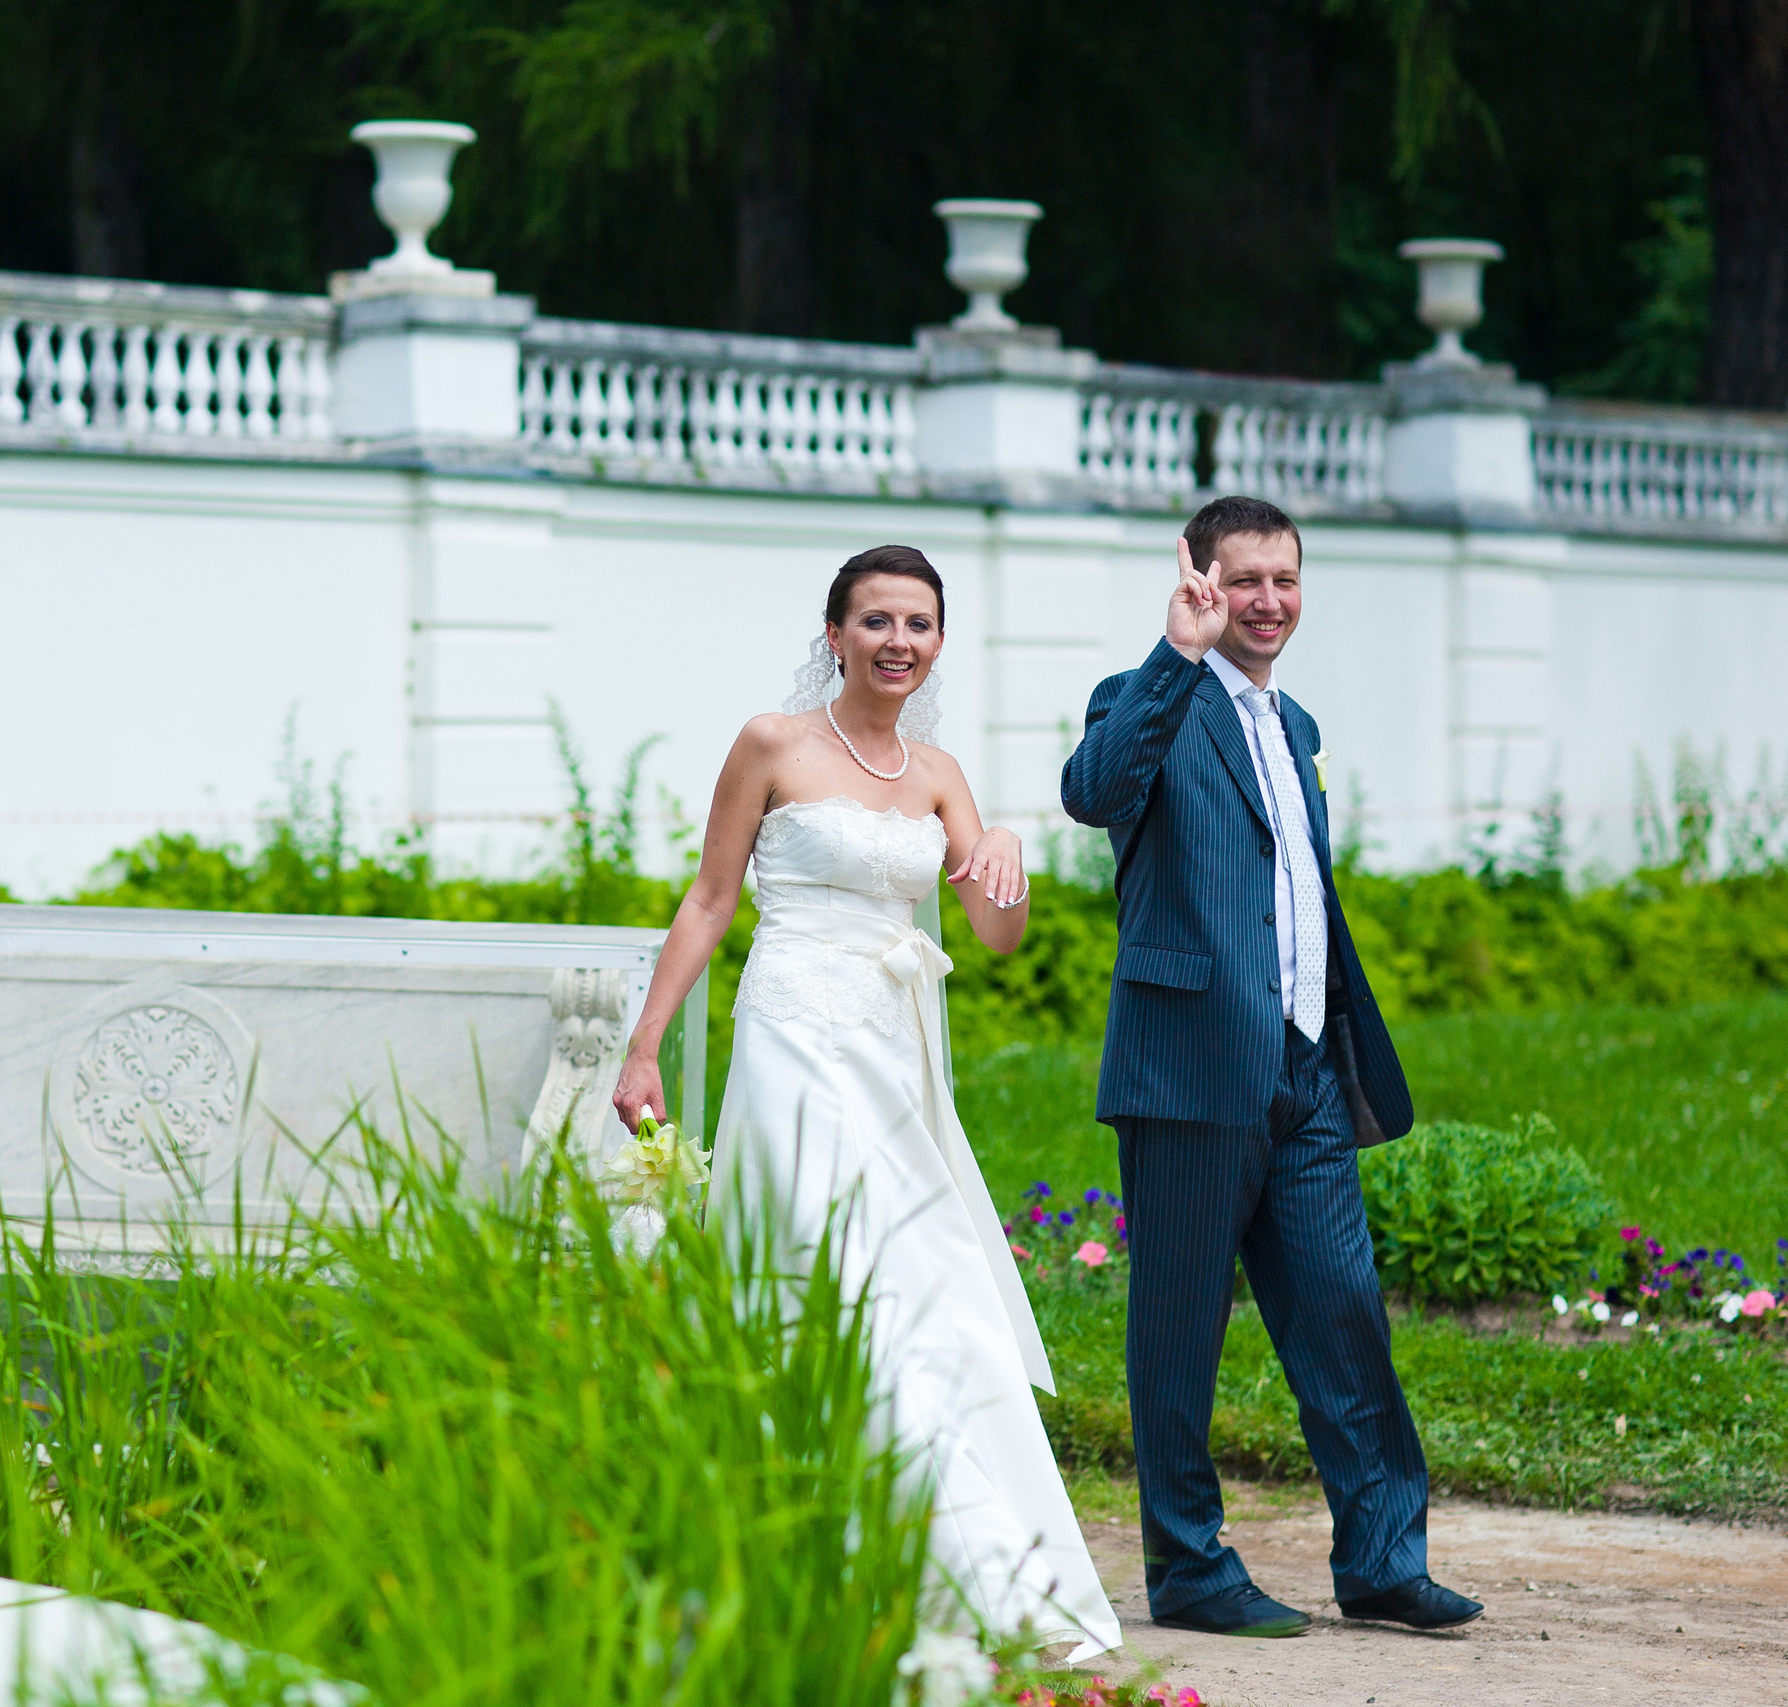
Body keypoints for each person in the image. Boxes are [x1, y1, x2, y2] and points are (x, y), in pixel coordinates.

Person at [610, 544, 1122, 1661]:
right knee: (816, 1264)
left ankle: (949, 1555)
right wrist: (644, 1046)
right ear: (836, 633)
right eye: (878, 620)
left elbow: (995, 933)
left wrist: (1004, 849)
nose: (900, 641)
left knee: (921, 1279)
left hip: (895, 1050)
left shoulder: (938, 775)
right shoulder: (772, 743)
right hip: (792, 1030)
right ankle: (805, 1541)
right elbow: (708, 901)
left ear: (938, 643)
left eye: (919, 624)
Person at [1058, 495, 1481, 1638]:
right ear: (1198, 582)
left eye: (1283, 580)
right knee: (1178, 1333)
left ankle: (1381, 1559)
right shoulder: (1143, 696)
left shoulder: (1297, 726)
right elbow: (1093, 792)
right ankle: (1188, 1568)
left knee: (1343, 1314)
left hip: (1305, 1073)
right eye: (1241, 579)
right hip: (1188, 1069)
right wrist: (1174, 653)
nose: (1265, 601)